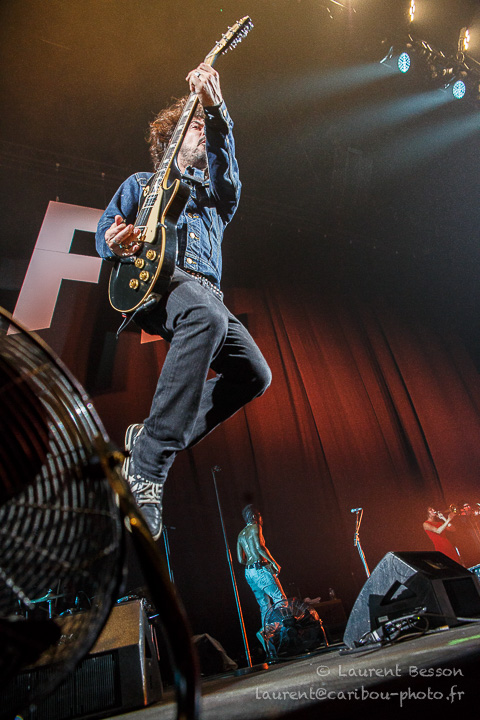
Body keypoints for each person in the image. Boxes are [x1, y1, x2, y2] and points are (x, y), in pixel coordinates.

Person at [95, 64, 271, 540]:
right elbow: (105, 231)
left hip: (206, 296)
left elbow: (225, 165)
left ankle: (148, 439)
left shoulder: (216, 197)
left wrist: (216, 110)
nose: (202, 131)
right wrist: (114, 241)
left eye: (203, 126)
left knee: (255, 374)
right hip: (160, 283)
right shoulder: (140, 184)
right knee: (205, 314)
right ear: (171, 138)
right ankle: (148, 469)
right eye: (194, 125)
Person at [237, 505, 286, 628]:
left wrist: (251, 563)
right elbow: (260, 547)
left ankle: (268, 632)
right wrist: (273, 562)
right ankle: (286, 630)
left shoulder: (240, 534)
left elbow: (240, 559)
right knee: (280, 599)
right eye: (260, 516)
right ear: (254, 516)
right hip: (260, 569)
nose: (261, 518)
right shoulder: (255, 527)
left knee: (264, 605)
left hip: (249, 573)